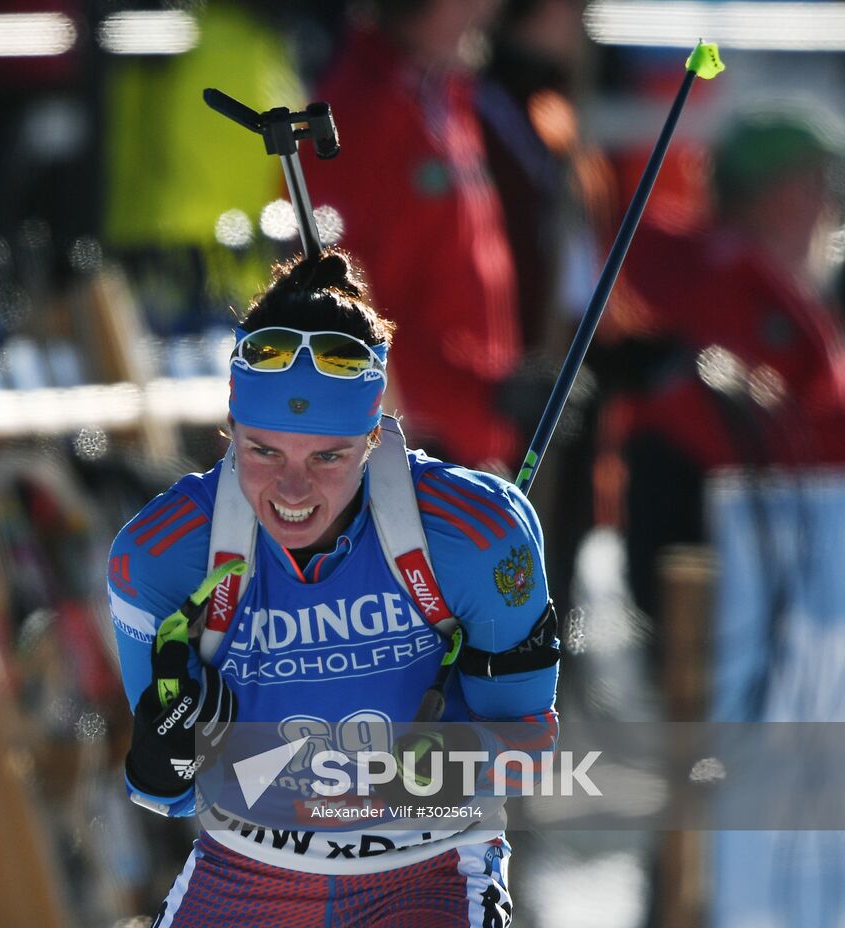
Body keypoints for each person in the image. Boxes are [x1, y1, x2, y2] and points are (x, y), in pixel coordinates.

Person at [108, 250, 559, 926]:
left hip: (424, 871)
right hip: (246, 871)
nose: (292, 491)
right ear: (229, 429)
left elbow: (525, 749)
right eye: (263, 451)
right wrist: (167, 751)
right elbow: (163, 795)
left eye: (328, 456)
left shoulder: (476, 538)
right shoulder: (161, 557)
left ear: (373, 437)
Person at [609, 109, 845, 617]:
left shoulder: (744, 279)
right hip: (723, 554)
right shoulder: (730, 282)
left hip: (751, 545)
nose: (827, 204)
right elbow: (796, 422)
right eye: (813, 184)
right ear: (766, 194)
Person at [305, 0, 521, 472]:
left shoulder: (444, 97)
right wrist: (460, 403)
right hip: (409, 448)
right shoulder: (355, 112)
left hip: (467, 438)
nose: (488, 9)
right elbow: (338, 303)